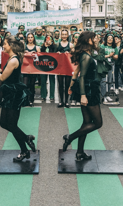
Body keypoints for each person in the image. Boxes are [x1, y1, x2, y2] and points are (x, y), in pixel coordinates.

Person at [0, 35, 36, 162]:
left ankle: (24, 150)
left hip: (14, 95)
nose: (3, 46)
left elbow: (1, 78)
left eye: (5, 44)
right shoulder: (12, 58)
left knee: (11, 124)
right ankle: (26, 138)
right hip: (9, 94)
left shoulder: (13, 60)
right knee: (4, 124)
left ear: (10, 46)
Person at [63, 31, 102, 162]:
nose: (96, 39)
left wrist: (71, 84)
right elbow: (83, 76)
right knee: (98, 123)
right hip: (89, 90)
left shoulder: (87, 53)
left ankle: (79, 153)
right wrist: (83, 95)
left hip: (89, 88)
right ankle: (70, 137)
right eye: (94, 37)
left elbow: (77, 71)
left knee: (86, 123)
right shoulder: (86, 55)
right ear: (88, 40)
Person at [56, 29, 73, 108]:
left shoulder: (71, 45)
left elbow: (74, 55)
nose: (64, 36)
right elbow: (53, 56)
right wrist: (57, 54)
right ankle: (61, 101)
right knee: (60, 84)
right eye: (62, 34)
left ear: (67, 35)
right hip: (59, 67)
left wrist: (69, 54)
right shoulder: (57, 44)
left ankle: (66, 101)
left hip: (68, 68)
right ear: (60, 35)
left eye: (65, 34)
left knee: (67, 84)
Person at [23, 33, 40, 106]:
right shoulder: (24, 47)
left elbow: (39, 59)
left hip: (33, 69)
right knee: (25, 84)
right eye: (29, 37)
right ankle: (25, 99)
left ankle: (31, 100)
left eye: (31, 37)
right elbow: (20, 56)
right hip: (25, 68)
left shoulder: (37, 47)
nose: (30, 39)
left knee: (32, 84)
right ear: (27, 38)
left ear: (33, 38)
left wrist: (35, 54)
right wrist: (24, 53)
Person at [40, 33, 56, 102]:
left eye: (49, 38)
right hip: (43, 66)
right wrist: (45, 47)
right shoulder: (42, 47)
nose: (48, 40)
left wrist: (50, 46)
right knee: (43, 81)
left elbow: (55, 54)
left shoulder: (54, 46)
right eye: (47, 38)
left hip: (52, 65)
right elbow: (40, 54)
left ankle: (52, 96)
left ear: (52, 40)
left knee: (52, 81)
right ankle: (43, 95)